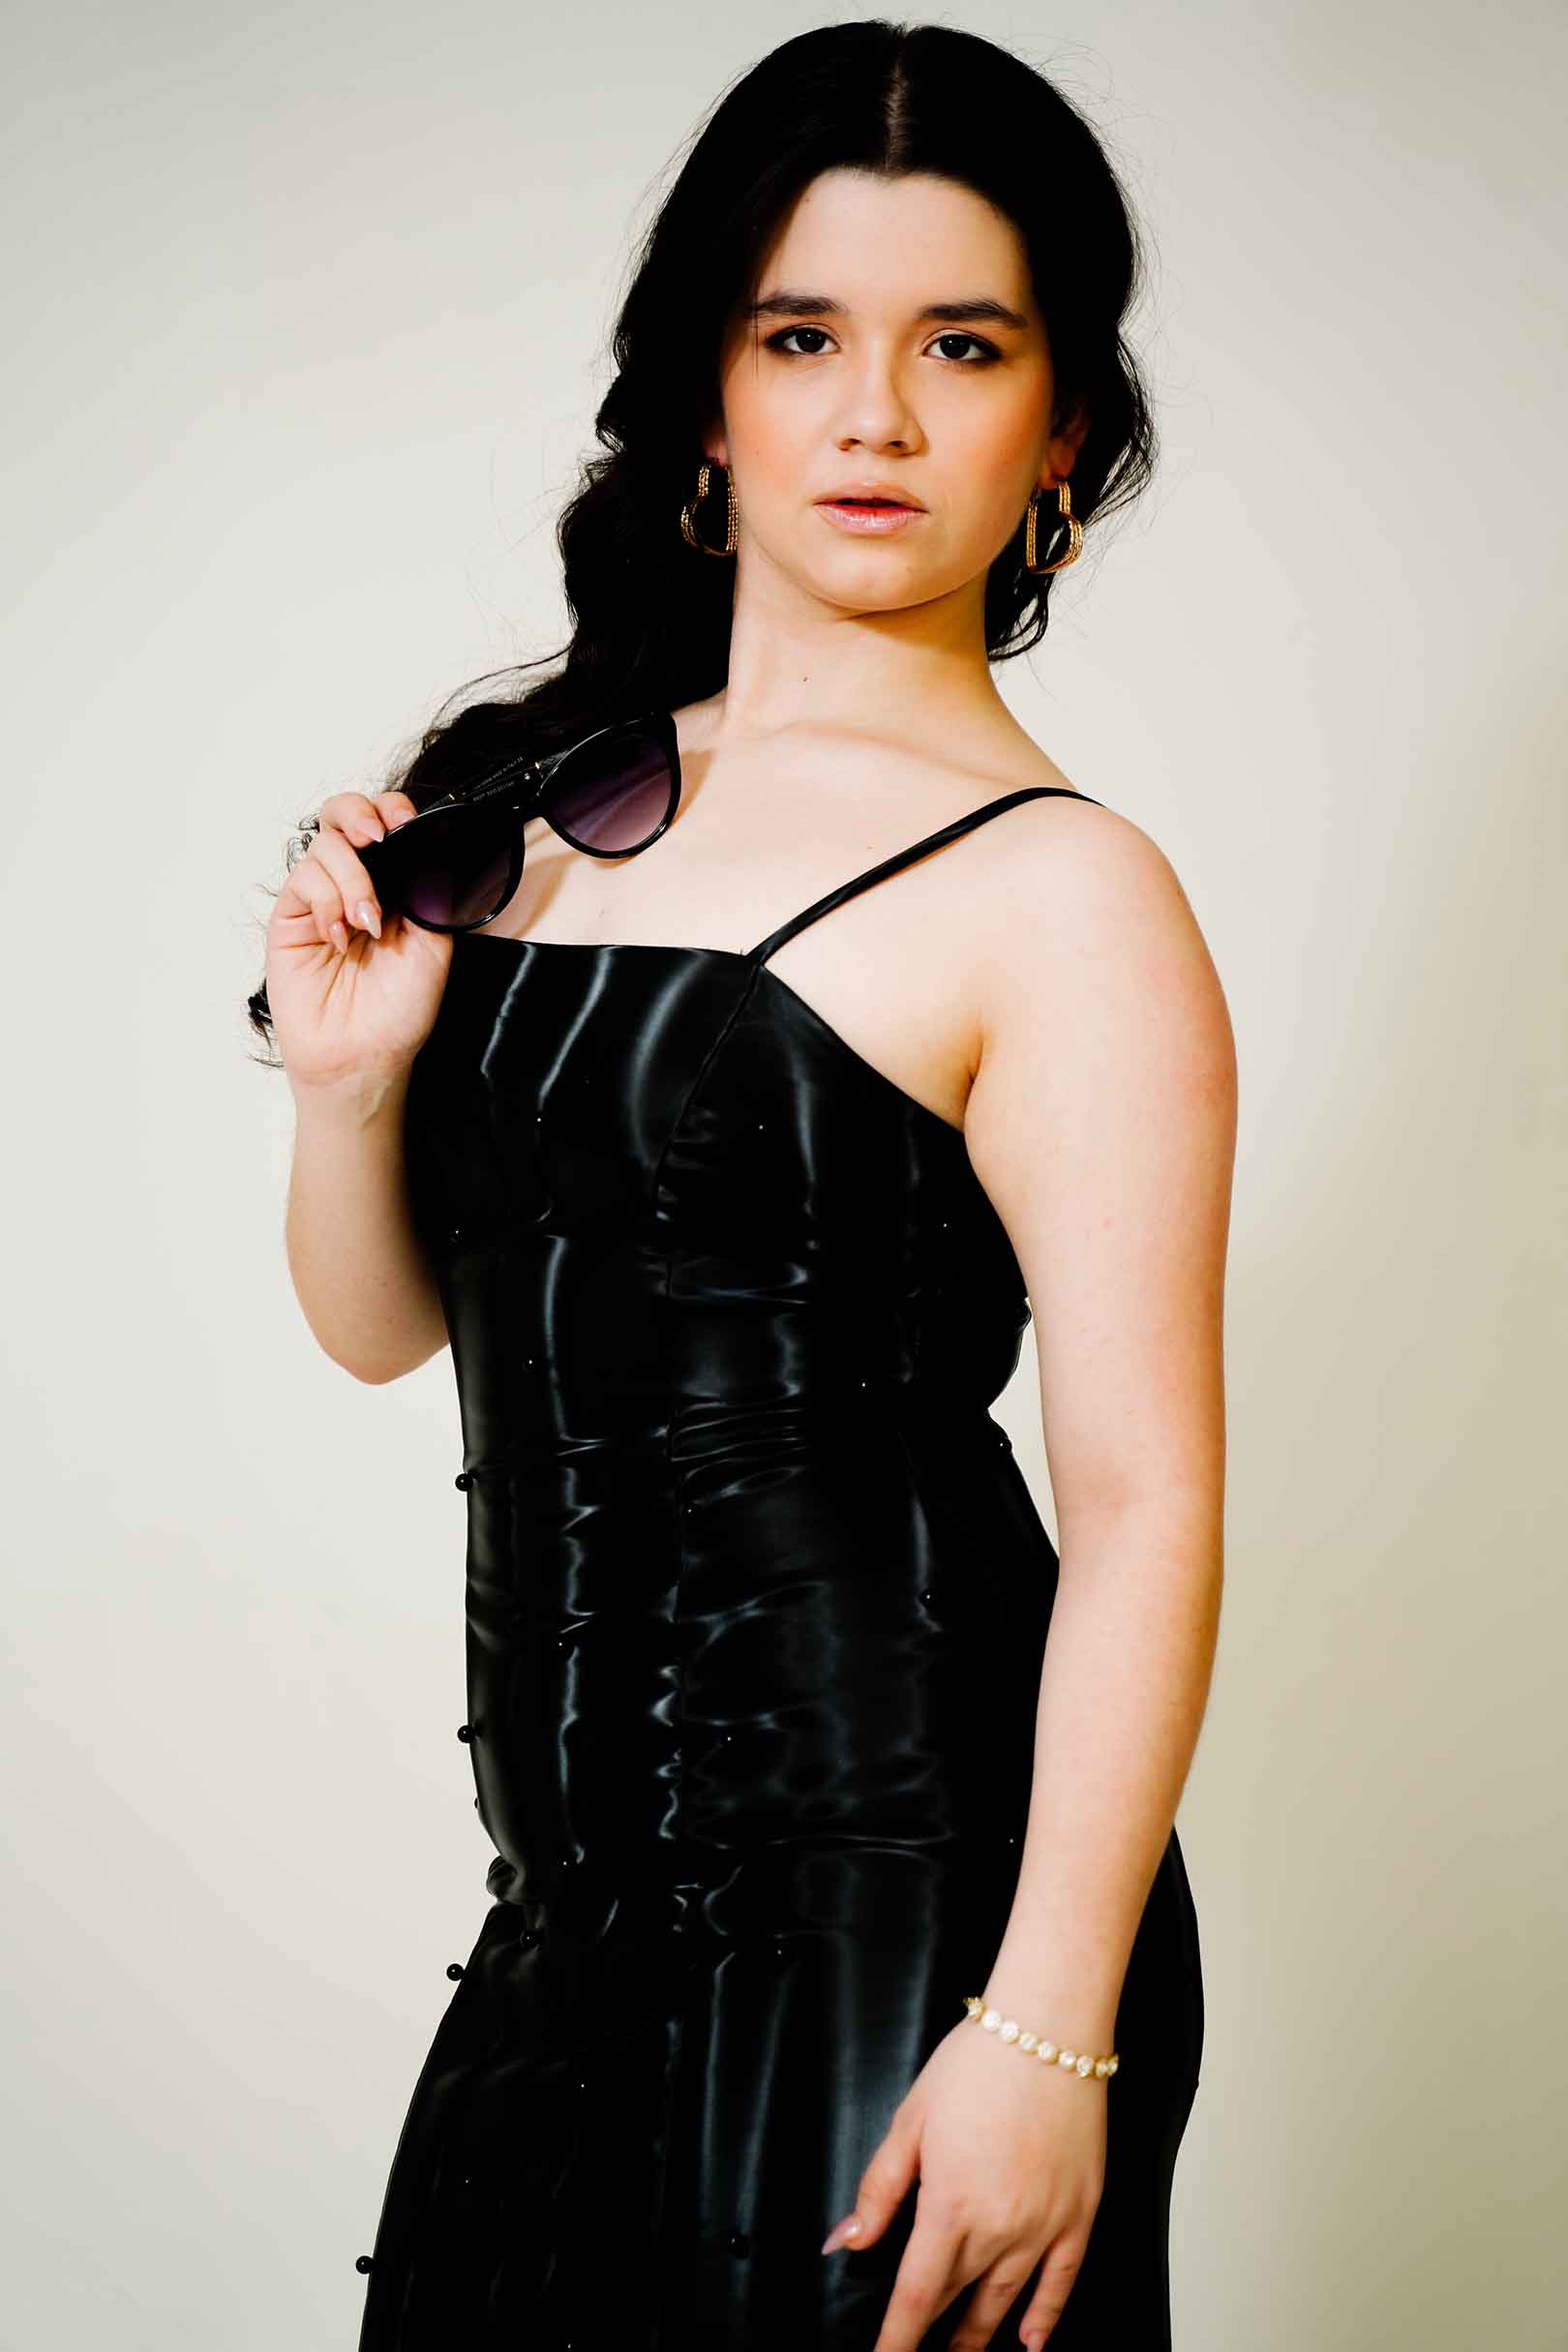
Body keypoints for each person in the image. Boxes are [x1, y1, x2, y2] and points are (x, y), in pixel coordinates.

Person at [249, 22, 1234, 2350]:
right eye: (803, 338)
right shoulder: (529, 806)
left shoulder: (1067, 896)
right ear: (706, 393)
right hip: (561, 1935)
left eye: (960, 346)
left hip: (924, 1923)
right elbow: (386, 1331)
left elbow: (1149, 1505)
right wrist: (355, 1087)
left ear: (1060, 429)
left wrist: (1048, 2031)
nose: (874, 415)